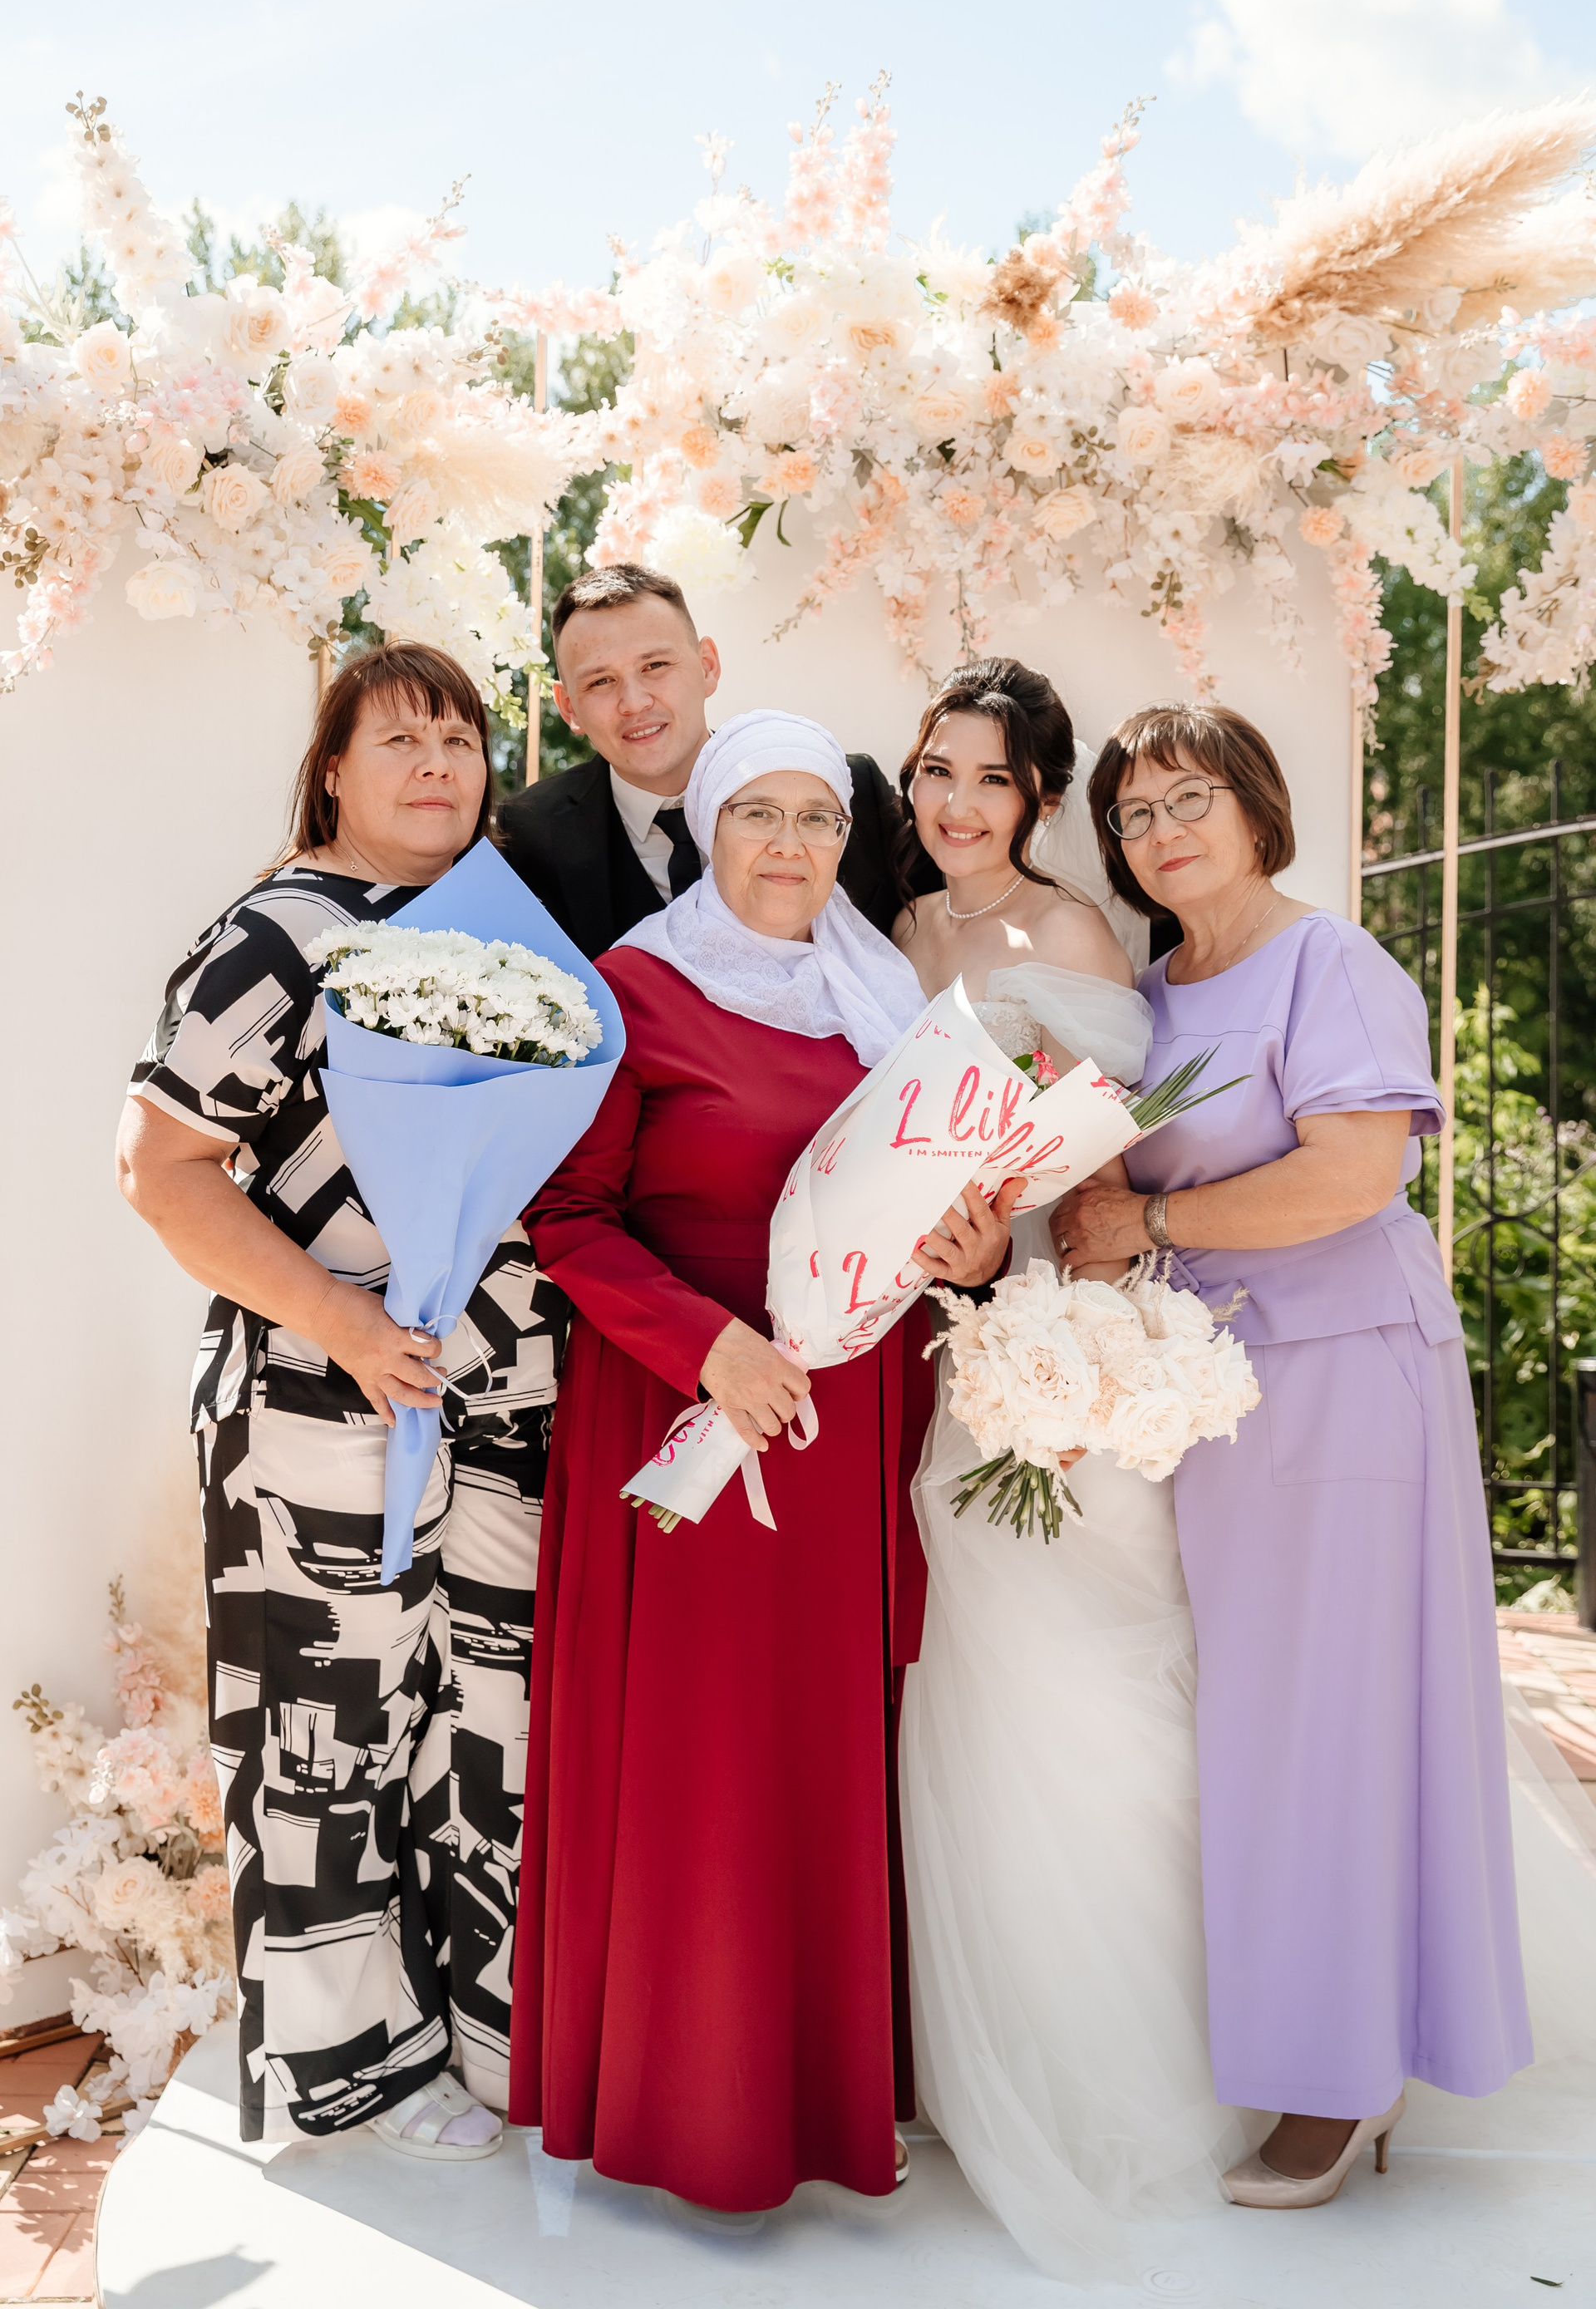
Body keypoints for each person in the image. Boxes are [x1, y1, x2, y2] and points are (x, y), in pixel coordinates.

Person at [506, 709, 1022, 2212]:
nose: (788, 845)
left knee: (818, 1751)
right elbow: (567, 1217)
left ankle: (818, 2096)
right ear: (707, 828)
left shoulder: (886, 1001)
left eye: (816, 819)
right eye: (756, 814)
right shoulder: (634, 990)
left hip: (848, 1420)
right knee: (702, 1754)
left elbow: (931, 1205)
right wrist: (706, 1349)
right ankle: (685, 2108)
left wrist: (975, 1255)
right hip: (690, 1409)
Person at [1054, 699, 1531, 2208]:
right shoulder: (1143, 993)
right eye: (1134, 814)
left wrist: (1149, 1219)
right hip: (1209, 1390)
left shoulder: (1333, 964)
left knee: (1329, 1724)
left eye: (1190, 798)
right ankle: (1328, 2044)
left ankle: (1338, 2079)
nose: (1163, 831)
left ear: (1259, 807)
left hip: (1342, 1376)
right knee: (1257, 1725)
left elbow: (1351, 1176)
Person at [116, 643, 569, 2160]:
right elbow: (158, 1169)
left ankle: (498, 2031)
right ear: (332, 771)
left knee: (490, 1724)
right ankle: (354, 2073)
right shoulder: (276, 934)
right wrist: (345, 1322)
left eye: (462, 740)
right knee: (330, 1738)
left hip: (495, 1402)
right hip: (322, 1399)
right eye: (401, 741)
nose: (439, 765)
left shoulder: (497, 927)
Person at [892, 660, 1256, 2280]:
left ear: (1038, 797)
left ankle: (1136, 2083)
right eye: (936, 772)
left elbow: (1099, 1177)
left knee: (1089, 1703)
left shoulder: (1078, 939)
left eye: (991, 778)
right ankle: (998, 2070)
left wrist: (1014, 1275)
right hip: (944, 1361)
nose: (958, 804)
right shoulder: (896, 934)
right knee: (975, 1699)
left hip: (1059, 1364)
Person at [495, 563, 914, 954]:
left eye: (655, 665)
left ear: (707, 666)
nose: (634, 702)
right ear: (568, 707)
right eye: (601, 681)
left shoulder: (851, 793)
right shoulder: (529, 835)